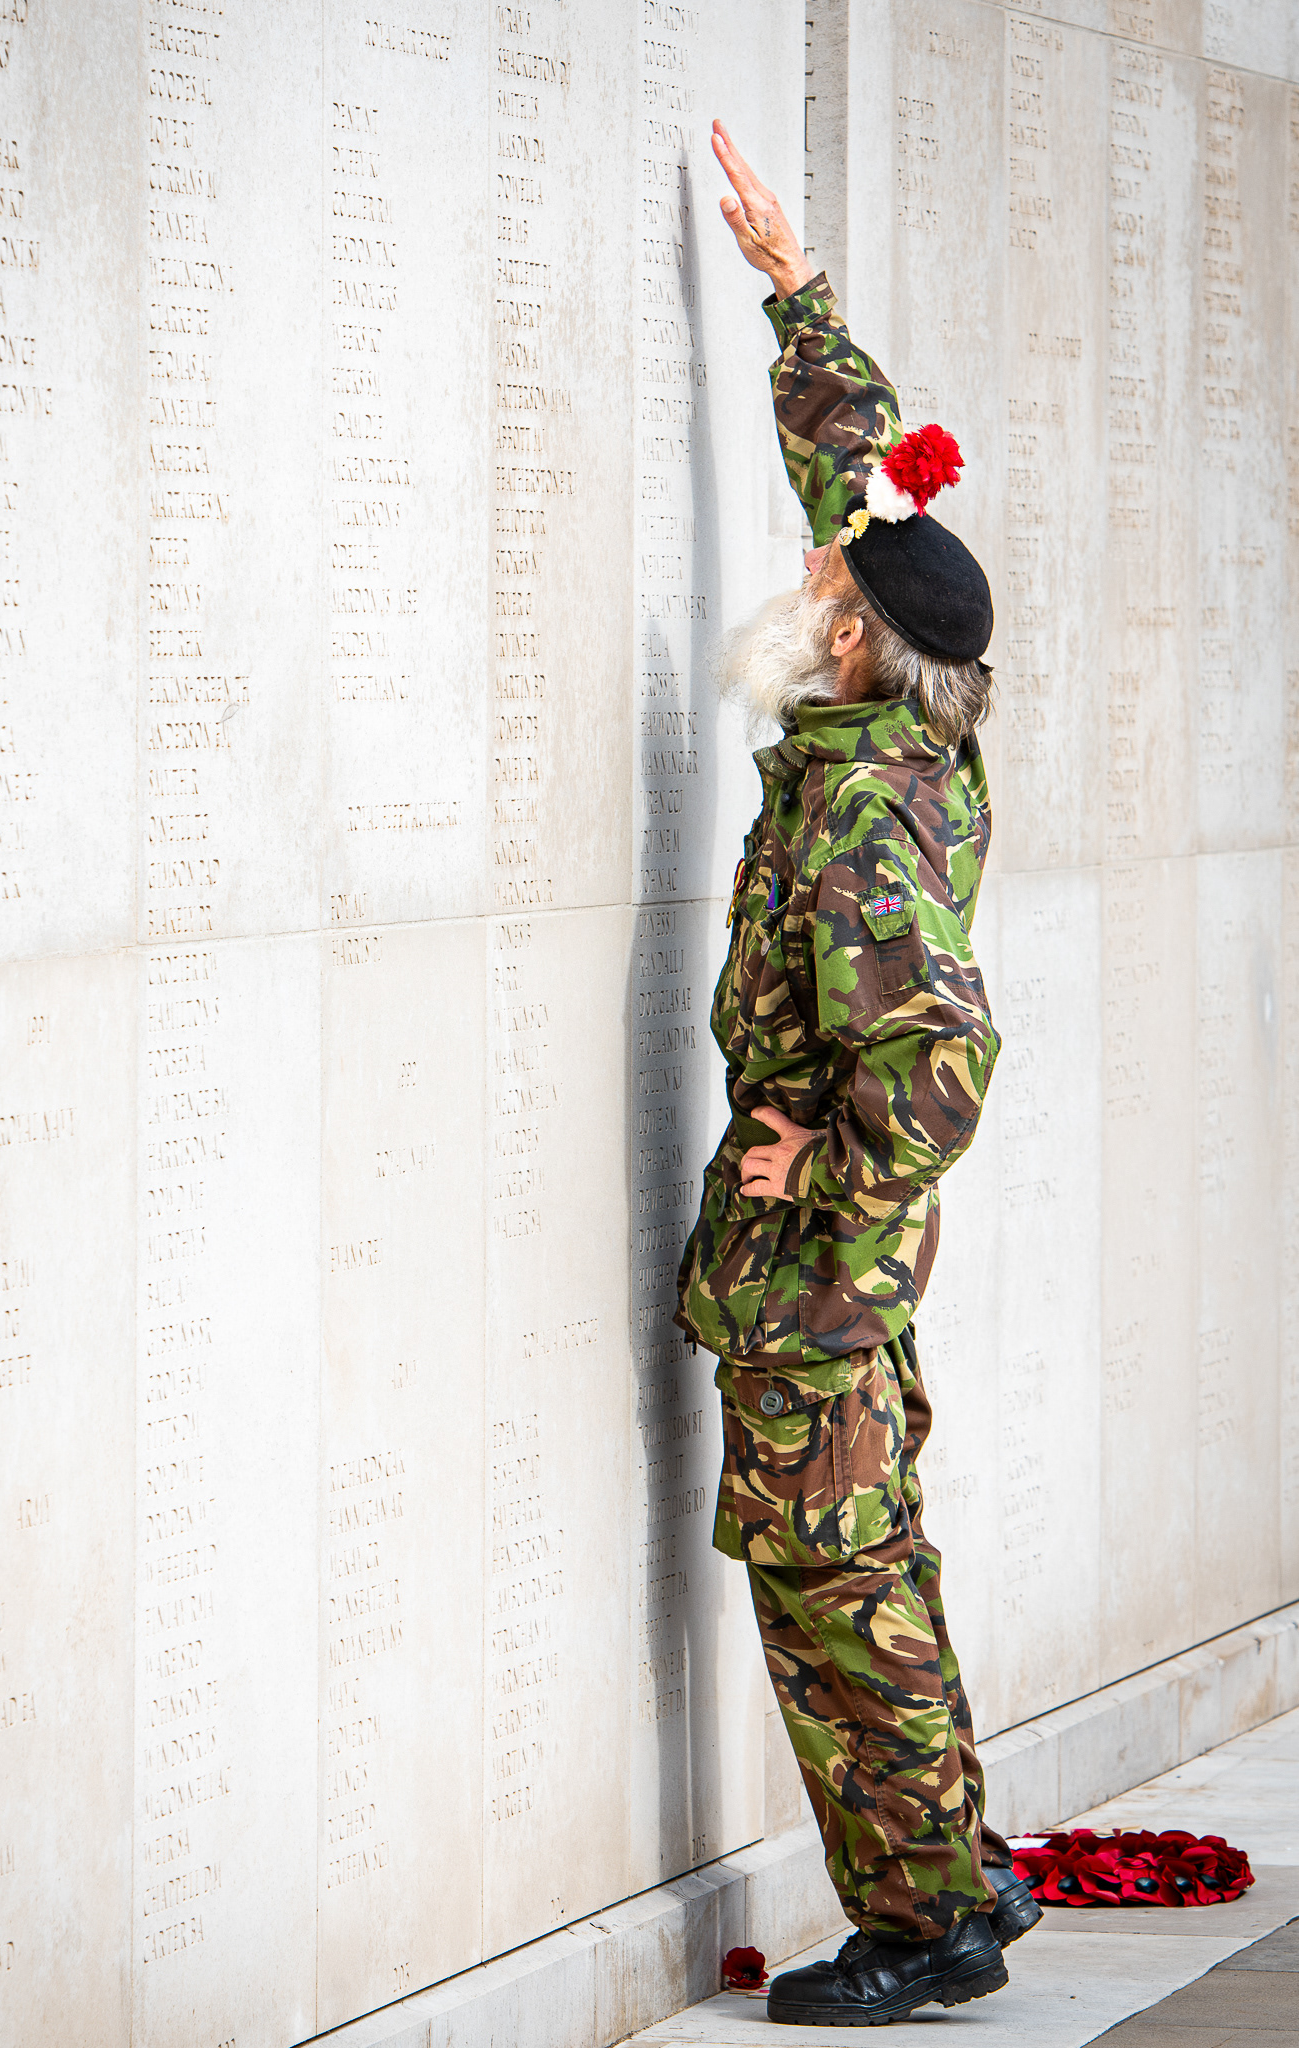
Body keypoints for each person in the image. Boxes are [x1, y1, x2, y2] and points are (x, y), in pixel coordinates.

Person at [672, 123, 1042, 2026]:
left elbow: (943, 1067)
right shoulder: (911, 735)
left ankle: (924, 1928)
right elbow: (872, 494)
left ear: (840, 638)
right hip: (837, 1284)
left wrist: (807, 1170)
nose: (814, 555)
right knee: (870, 1568)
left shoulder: (860, 826)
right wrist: (796, 295)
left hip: (817, 1284)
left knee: (837, 1603)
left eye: (823, 569)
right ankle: (962, 1872)